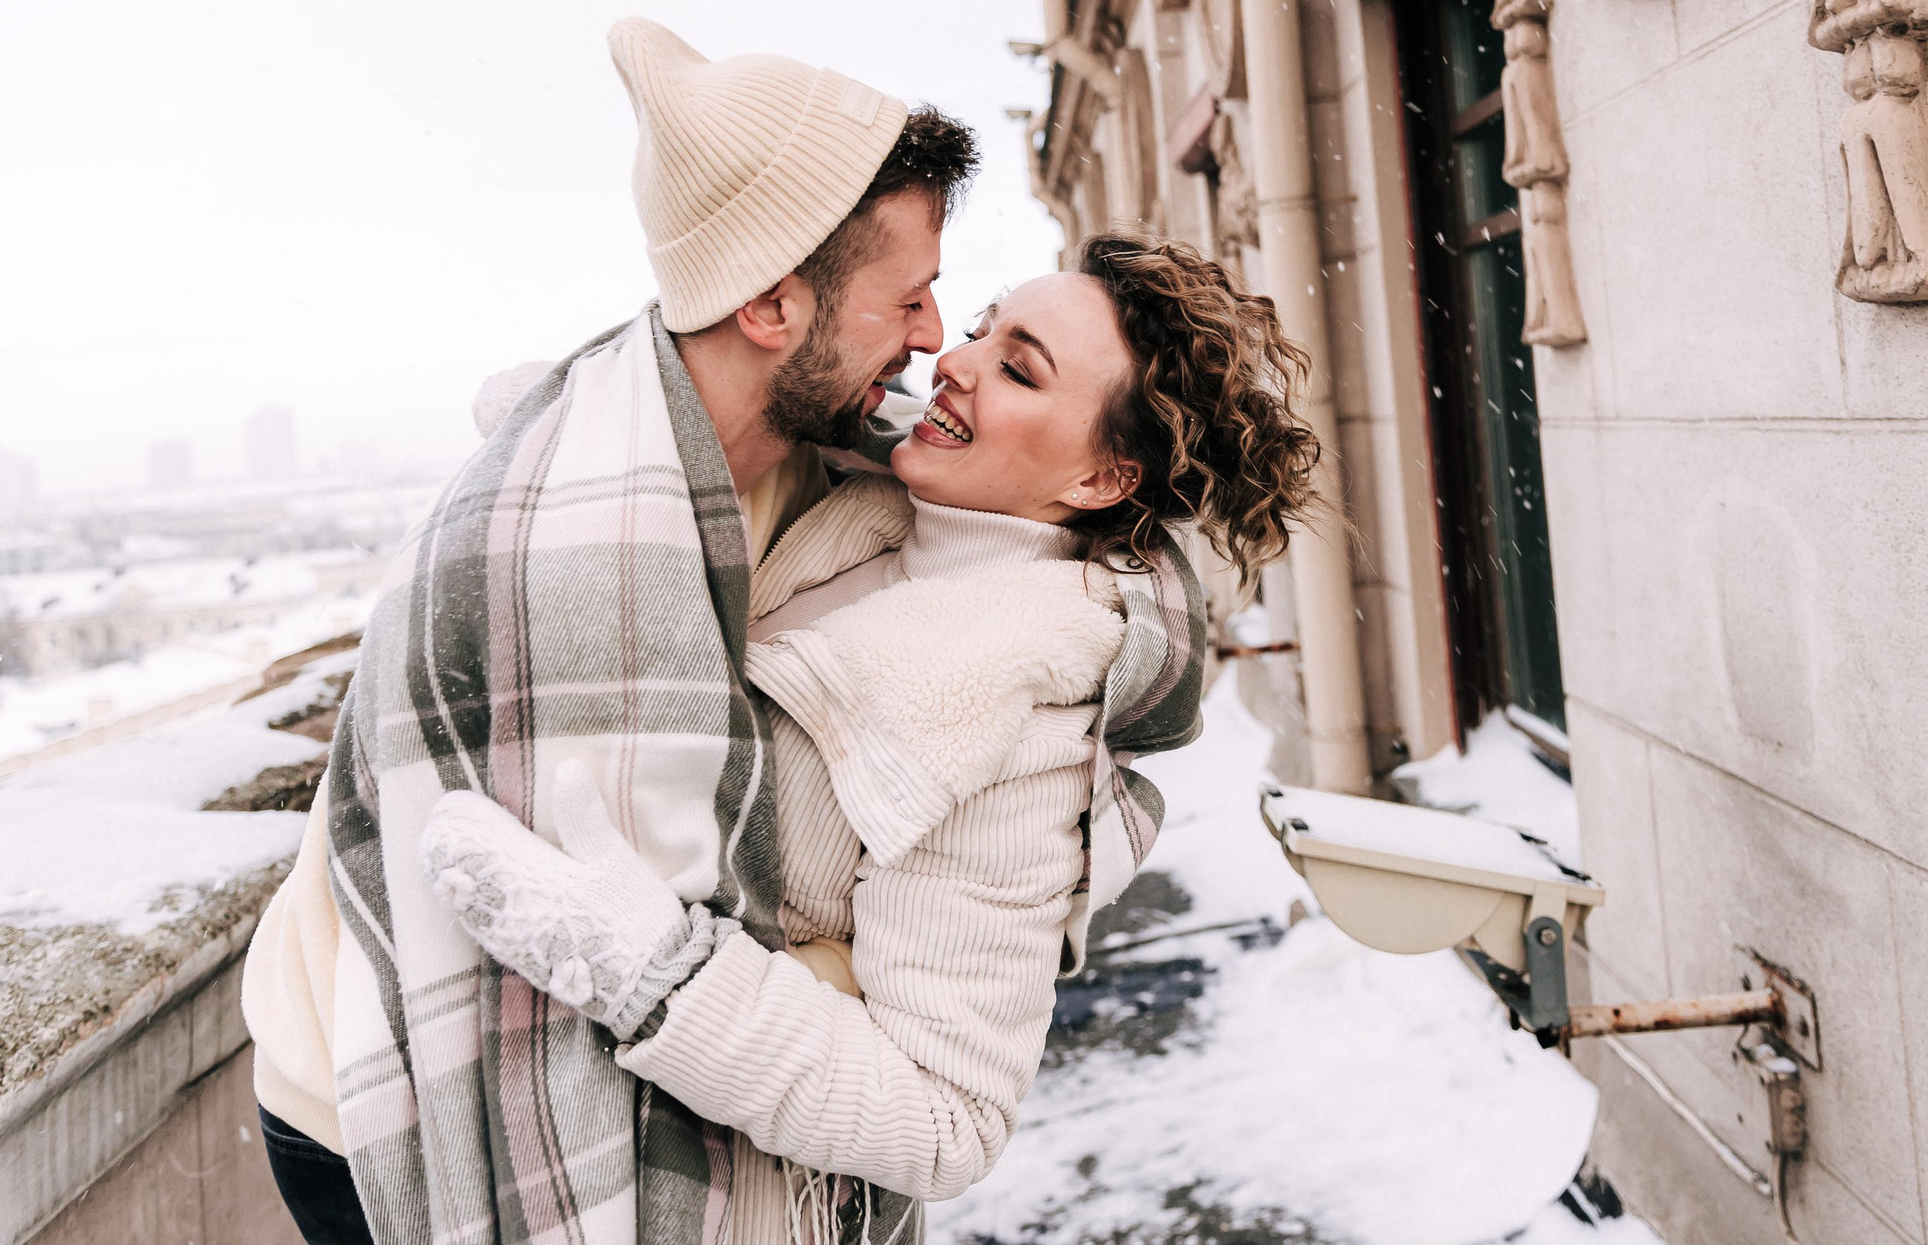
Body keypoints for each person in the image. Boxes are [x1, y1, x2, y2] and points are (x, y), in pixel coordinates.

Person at [416, 229, 1323, 1245]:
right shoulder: (876, 501)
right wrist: (600, 452)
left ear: (1103, 481)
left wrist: (639, 964)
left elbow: (948, 1121)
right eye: (981, 328)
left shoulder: (1020, 732)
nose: (957, 360)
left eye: (1017, 368)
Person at [239, 15, 980, 1245]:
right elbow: (597, 975)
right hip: (376, 1107)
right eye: (905, 298)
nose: (931, 337)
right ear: (769, 305)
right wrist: (871, 988)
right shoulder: (565, 568)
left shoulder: (811, 450)